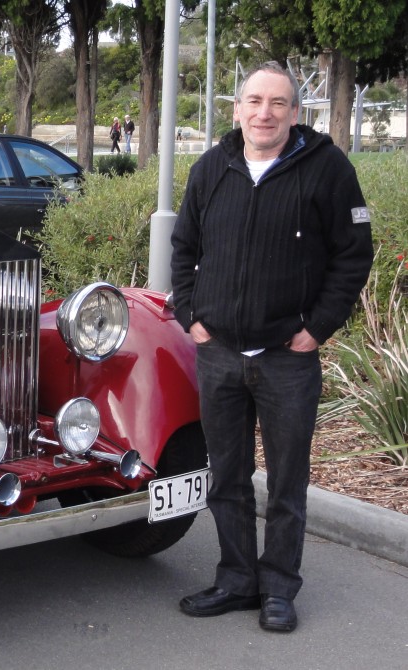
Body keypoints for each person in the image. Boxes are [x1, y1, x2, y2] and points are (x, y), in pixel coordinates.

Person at [170, 62, 372, 633]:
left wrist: (319, 327)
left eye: (278, 103)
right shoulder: (213, 167)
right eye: (254, 101)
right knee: (227, 476)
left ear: (294, 112)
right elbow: (184, 246)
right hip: (220, 355)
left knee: (287, 481)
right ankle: (237, 580)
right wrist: (191, 316)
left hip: (289, 357)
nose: (265, 113)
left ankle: (279, 587)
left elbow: (354, 254)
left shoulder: (327, 168)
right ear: (236, 109)